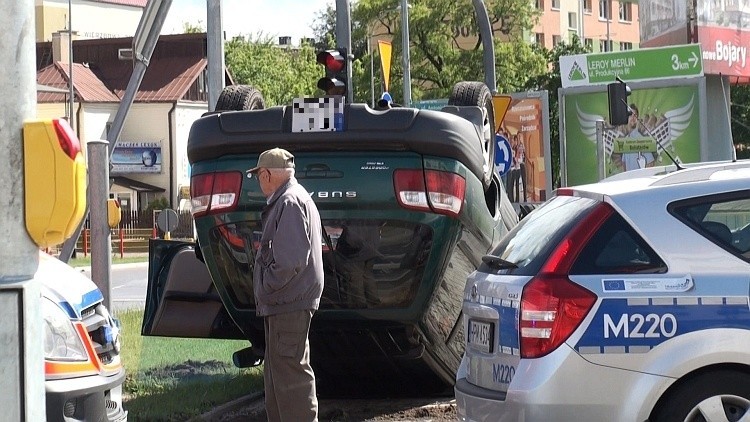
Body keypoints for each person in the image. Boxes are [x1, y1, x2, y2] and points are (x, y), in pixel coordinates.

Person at [247, 147, 323, 422]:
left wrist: (265, 287)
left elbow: (290, 262)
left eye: (258, 175)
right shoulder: (294, 198)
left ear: (267, 174)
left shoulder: (289, 202)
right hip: (287, 302)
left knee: (290, 377)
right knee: (280, 377)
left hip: (287, 302)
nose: (258, 181)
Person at [621, 104, 654, 171]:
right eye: (630, 115)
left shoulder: (641, 139)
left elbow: (651, 163)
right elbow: (624, 163)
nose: (633, 118)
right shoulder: (626, 140)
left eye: (635, 115)